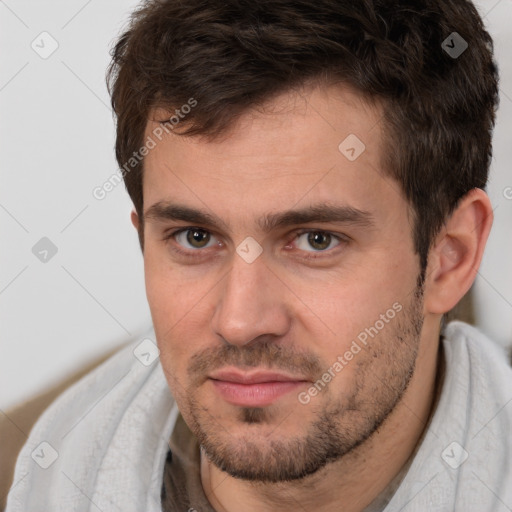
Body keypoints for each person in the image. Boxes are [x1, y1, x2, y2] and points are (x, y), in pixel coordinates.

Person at [6, 0, 512, 511]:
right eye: (195, 237)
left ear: (451, 256)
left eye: (316, 240)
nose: (240, 322)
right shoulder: (35, 478)